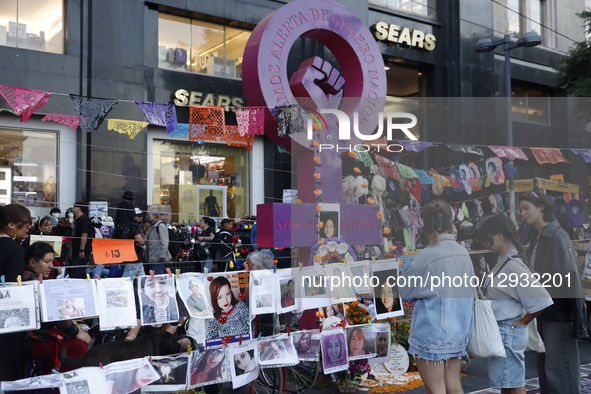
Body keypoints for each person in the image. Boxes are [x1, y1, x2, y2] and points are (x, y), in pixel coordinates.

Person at [400, 200, 474, 394]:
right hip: (458, 331)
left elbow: (405, 292)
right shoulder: (463, 253)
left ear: (425, 225)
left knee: (436, 390)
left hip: (432, 333)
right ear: (451, 222)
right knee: (454, 387)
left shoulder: (426, 255)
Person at [519, 191, 588, 394]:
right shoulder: (536, 236)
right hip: (544, 311)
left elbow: (570, 277)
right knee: (548, 370)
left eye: (526, 208)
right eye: (521, 209)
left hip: (558, 313)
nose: (522, 213)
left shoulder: (557, 235)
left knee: (559, 371)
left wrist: (578, 318)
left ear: (541, 207)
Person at [479, 213, 553, 393]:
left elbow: (541, 300)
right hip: (506, 330)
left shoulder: (512, 265)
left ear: (500, 235)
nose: (484, 243)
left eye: (487, 238)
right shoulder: (506, 261)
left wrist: (524, 321)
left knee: (513, 385)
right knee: (509, 384)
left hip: (507, 330)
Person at [22, 242, 91, 375]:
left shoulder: (32, 278)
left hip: (33, 338)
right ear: (32, 262)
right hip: (29, 341)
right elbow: (51, 312)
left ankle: (51, 384)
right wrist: (75, 332)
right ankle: (61, 387)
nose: (51, 266)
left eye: (52, 261)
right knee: (78, 345)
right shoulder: (30, 281)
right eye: (47, 261)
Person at [0, 203, 30, 382]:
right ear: (11, 225)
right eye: (25, 223)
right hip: (6, 316)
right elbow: (14, 285)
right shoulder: (14, 249)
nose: (28, 228)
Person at [206, 276, 249, 340]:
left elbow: (249, 330)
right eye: (220, 297)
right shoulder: (214, 316)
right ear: (214, 299)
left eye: (228, 294)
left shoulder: (240, 307)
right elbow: (210, 338)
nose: (225, 300)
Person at [69, 202, 94, 278]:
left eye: (74, 207)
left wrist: (82, 250)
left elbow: (84, 234)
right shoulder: (77, 220)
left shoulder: (84, 220)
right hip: (75, 250)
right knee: (74, 272)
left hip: (82, 251)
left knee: (81, 272)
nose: (73, 210)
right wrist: (71, 250)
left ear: (79, 208)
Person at [122, 207, 147, 278]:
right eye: (139, 216)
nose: (141, 218)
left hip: (137, 259)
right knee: (127, 281)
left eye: (141, 216)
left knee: (142, 281)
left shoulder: (136, 227)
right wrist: (145, 237)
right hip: (133, 259)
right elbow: (141, 242)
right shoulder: (133, 227)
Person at [145, 207, 171, 275]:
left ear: (154, 216)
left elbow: (165, 242)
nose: (147, 217)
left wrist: (162, 255)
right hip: (152, 258)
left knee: (158, 278)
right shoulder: (151, 227)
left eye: (148, 215)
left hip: (158, 258)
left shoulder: (160, 226)